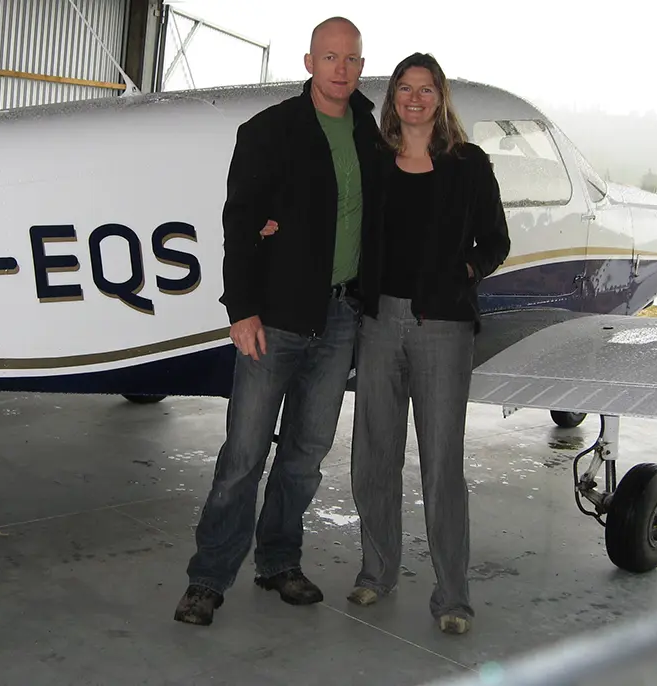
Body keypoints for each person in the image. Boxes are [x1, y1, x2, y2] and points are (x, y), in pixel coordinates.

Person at [174, 16, 385, 627]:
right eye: (330, 57)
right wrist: (241, 309)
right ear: (309, 62)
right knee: (243, 455)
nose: (341, 68)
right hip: (277, 318)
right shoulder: (269, 130)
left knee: (306, 454)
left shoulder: (371, 134)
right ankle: (209, 577)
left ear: (360, 67)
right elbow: (240, 222)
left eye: (352, 59)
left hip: (342, 316)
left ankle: (279, 562)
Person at [344, 52, 511, 635]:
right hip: (379, 324)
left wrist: (466, 270)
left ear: (440, 99)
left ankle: (452, 598)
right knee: (373, 459)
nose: (415, 98)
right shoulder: (375, 160)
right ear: (393, 98)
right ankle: (377, 571)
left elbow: (496, 239)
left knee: (441, 468)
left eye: (426, 89)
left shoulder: (469, 165)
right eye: (405, 89)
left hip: (444, 329)